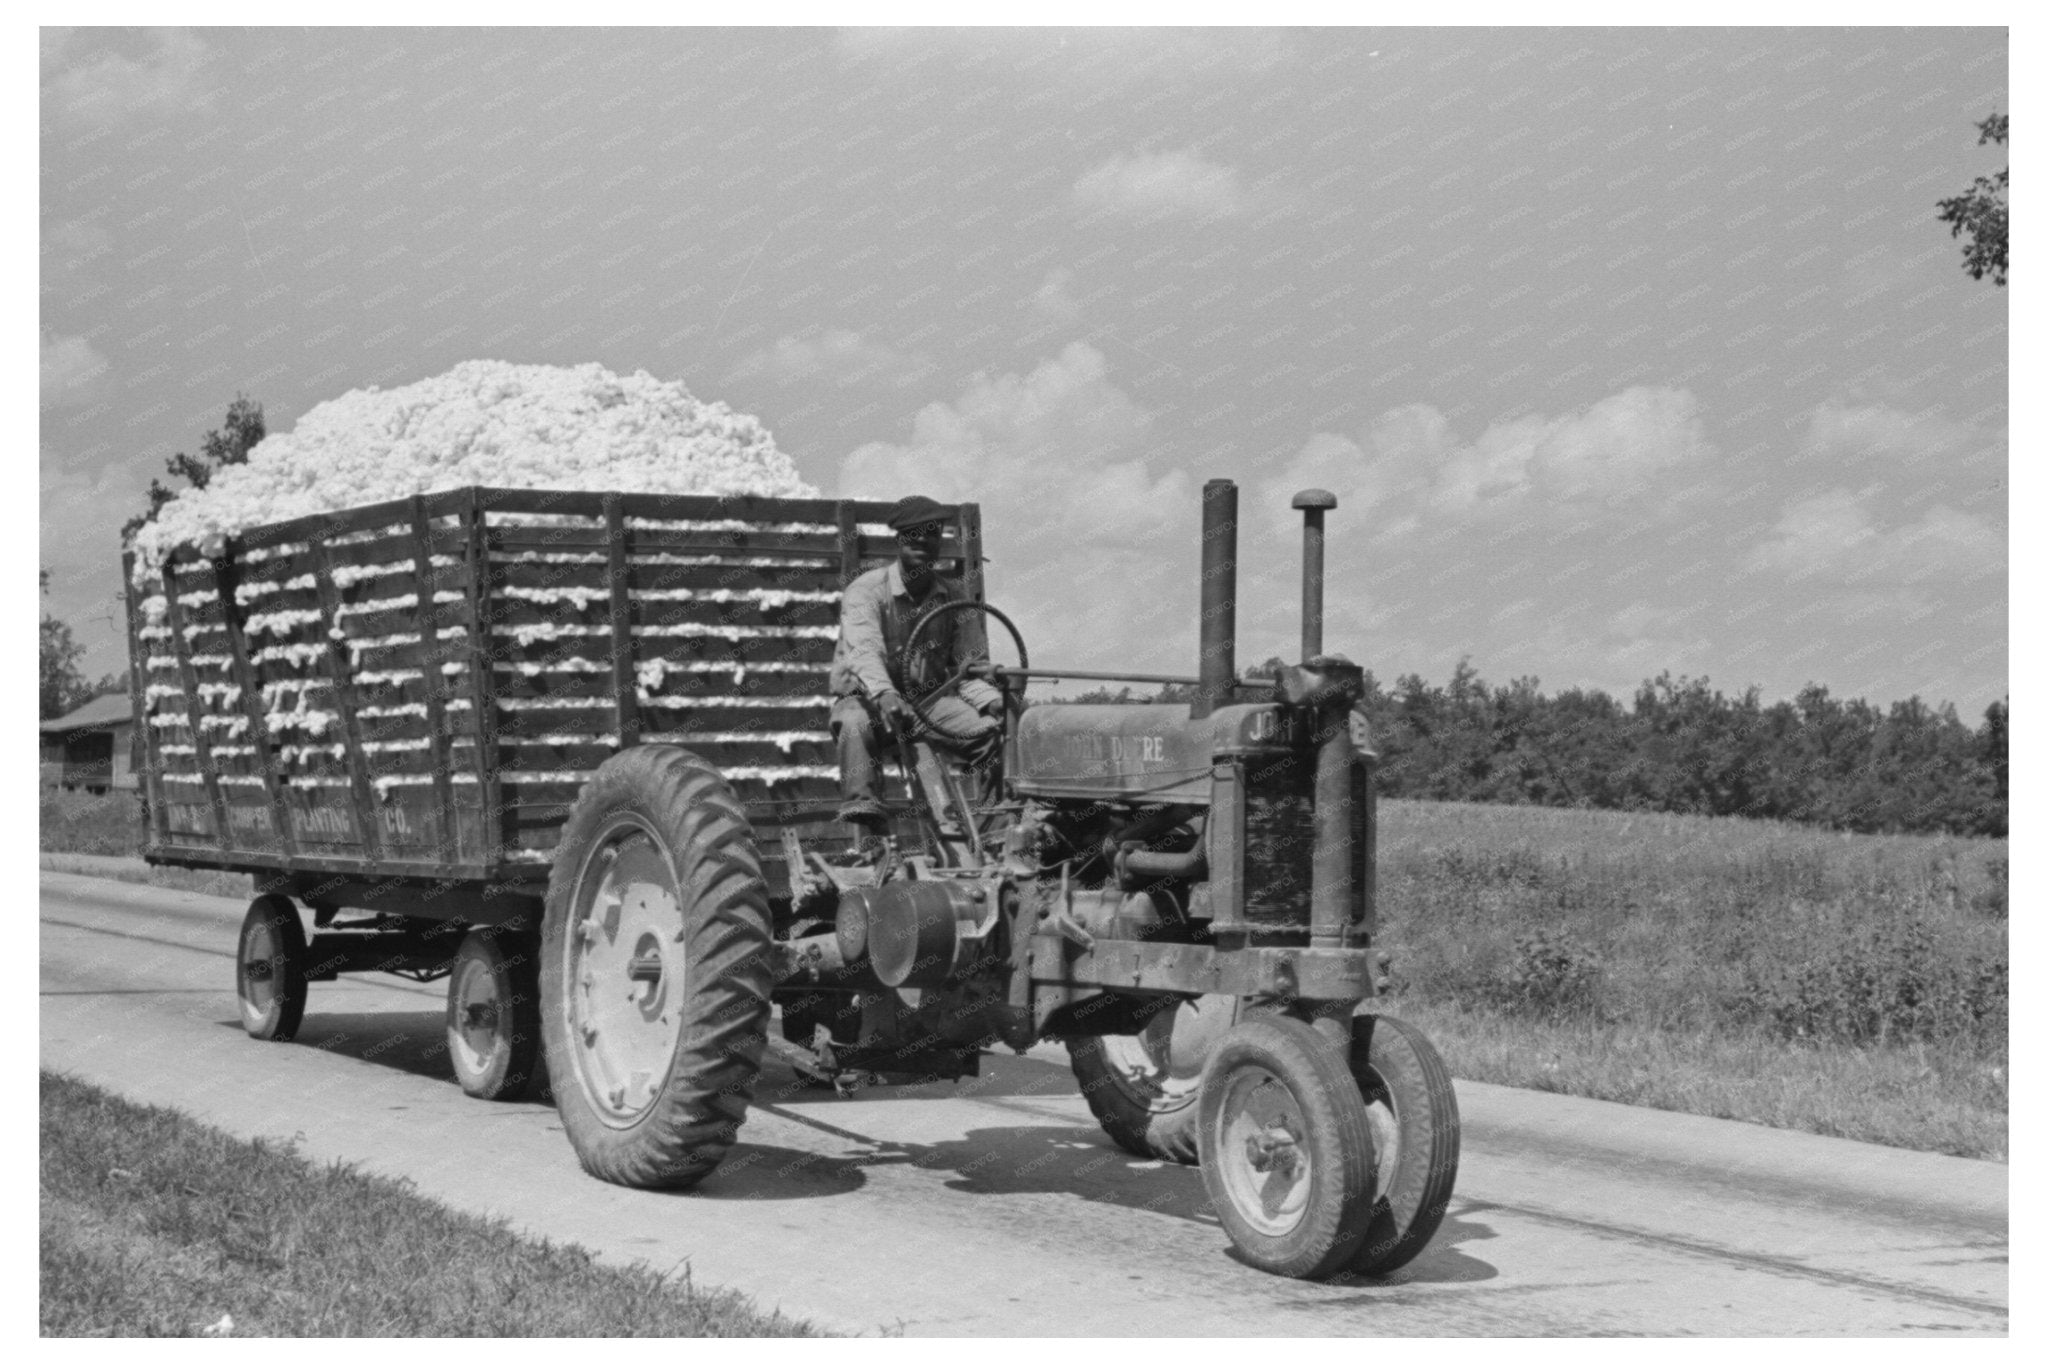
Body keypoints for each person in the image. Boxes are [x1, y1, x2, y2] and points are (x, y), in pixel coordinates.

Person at [830, 495, 1005, 831]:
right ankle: (865, 812)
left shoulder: (953, 597)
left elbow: (967, 668)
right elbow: (864, 650)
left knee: (992, 734)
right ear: (899, 540)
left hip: (928, 705)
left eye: (931, 534)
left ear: (939, 542)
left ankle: (993, 828)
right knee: (854, 723)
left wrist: (992, 702)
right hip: (871, 701)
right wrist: (885, 694)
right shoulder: (866, 591)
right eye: (913, 534)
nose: (922, 541)